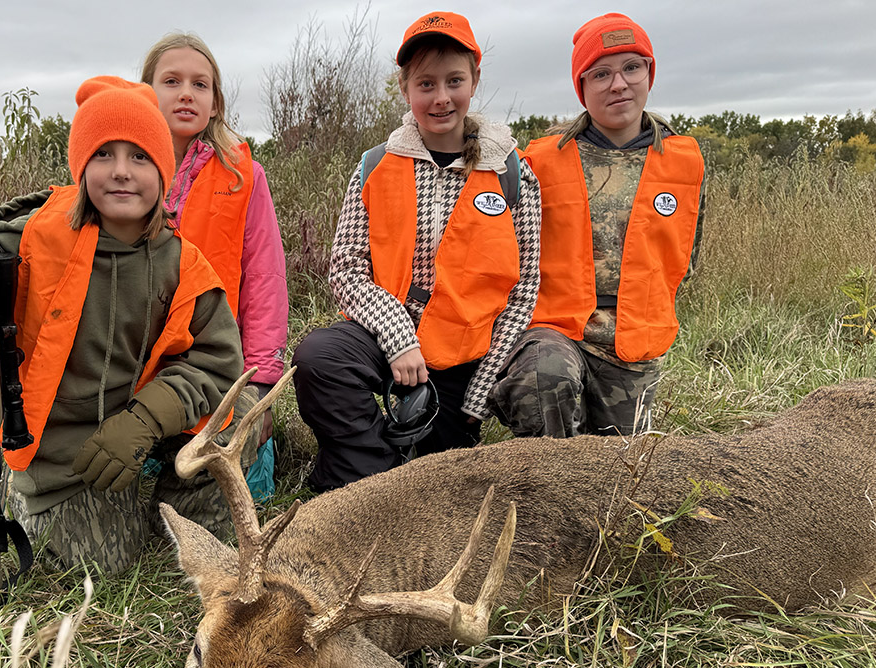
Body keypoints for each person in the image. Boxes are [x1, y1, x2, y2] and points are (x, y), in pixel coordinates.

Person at [0, 76, 245, 578]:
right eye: (102, 156)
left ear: (164, 171)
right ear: (80, 167)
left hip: (133, 428)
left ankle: (163, 509)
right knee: (108, 566)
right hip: (52, 442)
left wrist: (144, 421)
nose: (120, 172)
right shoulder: (28, 245)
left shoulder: (184, 265)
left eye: (139, 157)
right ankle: (8, 480)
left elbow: (218, 362)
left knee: (230, 434)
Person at [292, 11, 542, 493]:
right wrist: (398, 336)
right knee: (318, 357)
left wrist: (477, 396)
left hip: (462, 358)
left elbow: (523, 290)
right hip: (387, 342)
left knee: (439, 483)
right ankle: (365, 471)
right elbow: (345, 268)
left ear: (475, 79)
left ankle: (388, 462)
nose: (441, 97)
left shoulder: (513, 173)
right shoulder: (374, 165)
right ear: (406, 88)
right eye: (426, 83)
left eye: (454, 81)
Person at [488, 13, 705, 438]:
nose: (618, 83)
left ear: (649, 73)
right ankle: (541, 486)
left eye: (631, 67)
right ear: (582, 87)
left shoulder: (684, 163)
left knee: (616, 475)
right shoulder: (540, 160)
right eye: (600, 73)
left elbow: (686, 257)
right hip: (554, 329)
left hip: (633, 341)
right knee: (546, 377)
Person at [141, 33, 289, 501]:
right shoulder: (120, 173)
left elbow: (265, 279)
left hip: (219, 367)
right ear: (146, 94)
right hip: (139, 368)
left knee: (208, 468)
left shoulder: (245, 176)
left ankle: (239, 449)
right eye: (171, 81)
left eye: (200, 84)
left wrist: (261, 379)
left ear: (215, 101)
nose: (187, 93)